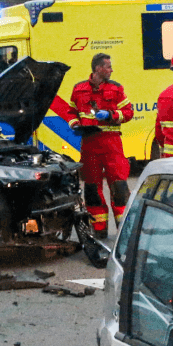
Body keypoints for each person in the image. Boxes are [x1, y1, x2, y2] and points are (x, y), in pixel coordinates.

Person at [70, 52, 135, 235]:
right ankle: (99, 230)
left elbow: (128, 113)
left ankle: (125, 230)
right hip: (89, 144)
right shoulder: (79, 89)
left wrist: (111, 115)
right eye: (108, 66)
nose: (111, 70)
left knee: (119, 187)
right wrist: (75, 124)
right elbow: (71, 111)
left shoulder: (116, 89)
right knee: (91, 188)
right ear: (98, 68)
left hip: (112, 145)